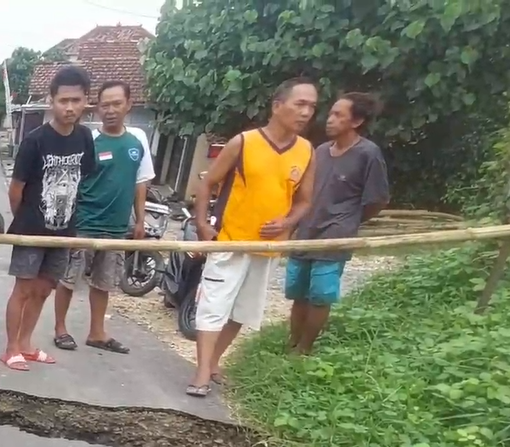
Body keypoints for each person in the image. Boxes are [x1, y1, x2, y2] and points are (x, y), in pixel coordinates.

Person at [188, 78, 318, 397]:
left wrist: (286, 221)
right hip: (231, 240)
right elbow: (208, 184)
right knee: (214, 306)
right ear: (277, 106)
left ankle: (215, 362)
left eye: (312, 107)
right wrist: (203, 223)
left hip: (267, 247)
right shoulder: (244, 142)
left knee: (243, 310)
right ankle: (202, 372)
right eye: (299, 104)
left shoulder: (306, 152)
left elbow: (304, 200)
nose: (306, 112)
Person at [2, 66, 98, 372]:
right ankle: (11, 348)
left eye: (76, 100)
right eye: (63, 100)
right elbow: (15, 190)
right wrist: (26, 223)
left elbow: (84, 178)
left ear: (85, 102)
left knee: (44, 290)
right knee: (24, 289)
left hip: (64, 230)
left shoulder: (84, 138)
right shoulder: (35, 141)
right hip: (32, 229)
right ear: (51, 101)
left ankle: (27, 344)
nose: (69, 107)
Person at [51, 80, 156, 355]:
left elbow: (140, 183)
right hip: (84, 222)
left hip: (117, 226)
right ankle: (60, 328)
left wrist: (140, 220)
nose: (110, 110)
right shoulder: (88, 140)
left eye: (116, 104)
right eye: (105, 105)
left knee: (104, 282)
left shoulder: (137, 141)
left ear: (128, 105)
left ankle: (97, 333)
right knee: (68, 278)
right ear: (97, 108)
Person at [287, 92, 389, 354]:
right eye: (330, 113)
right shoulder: (320, 151)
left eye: (338, 115)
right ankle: (292, 343)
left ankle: (305, 349)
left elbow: (377, 200)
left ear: (356, 122)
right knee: (298, 291)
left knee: (320, 295)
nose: (329, 120)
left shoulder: (368, 153)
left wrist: (350, 221)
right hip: (306, 231)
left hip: (335, 236)